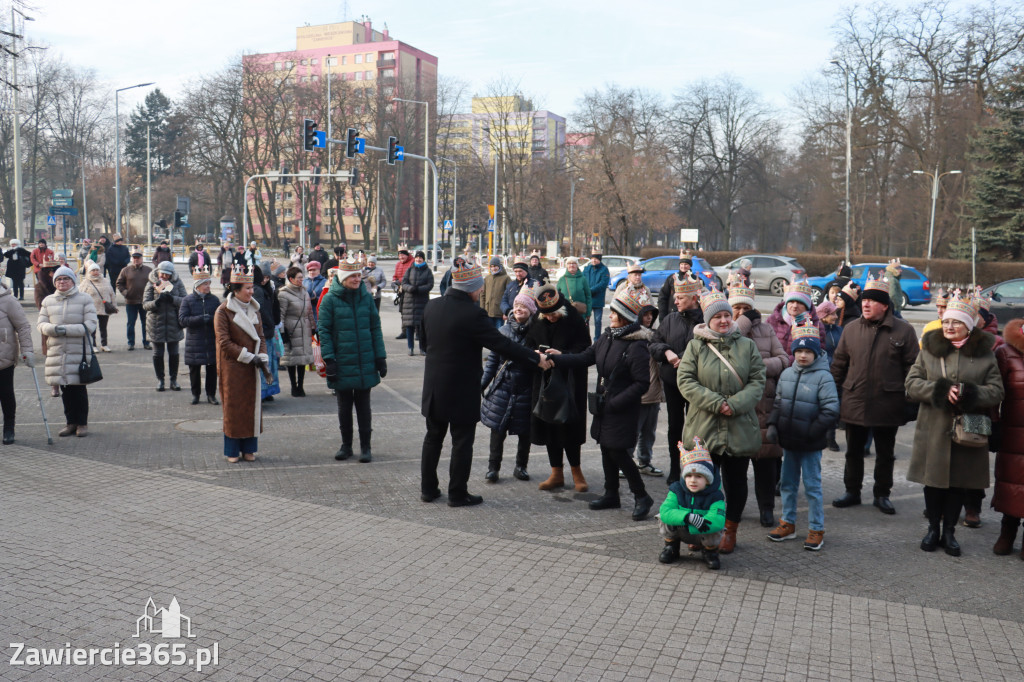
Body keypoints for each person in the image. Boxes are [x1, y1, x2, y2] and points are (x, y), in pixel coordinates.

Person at [419, 263, 552, 507]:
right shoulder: (473, 314)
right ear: (471, 287)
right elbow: (501, 345)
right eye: (479, 286)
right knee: (461, 443)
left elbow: (423, 342)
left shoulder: (432, 305)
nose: (481, 290)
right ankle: (457, 494)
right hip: (461, 390)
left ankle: (428, 489)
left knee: (433, 438)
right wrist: (536, 358)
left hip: (434, 388)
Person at [905, 294, 1003, 556]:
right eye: (946, 321)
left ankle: (949, 531)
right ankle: (932, 529)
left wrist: (970, 394)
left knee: (958, 483)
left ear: (969, 326)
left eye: (956, 323)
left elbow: (996, 391)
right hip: (933, 429)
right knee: (933, 482)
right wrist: (939, 389)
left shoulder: (985, 355)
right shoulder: (928, 350)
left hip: (967, 431)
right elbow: (911, 385)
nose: (948, 327)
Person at [548, 286, 655, 521]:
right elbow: (586, 357)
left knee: (618, 451)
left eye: (615, 313)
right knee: (606, 447)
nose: (611, 316)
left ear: (625, 317)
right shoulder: (608, 336)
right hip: (604, 405)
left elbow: (641, 383)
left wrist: (616, 402)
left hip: (621, 408)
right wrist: (557, 358)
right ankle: (611, 493)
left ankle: (642, 496)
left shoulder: (636, 345)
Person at [677, 287, 766, 554]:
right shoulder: (695, 346)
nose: (725, 321)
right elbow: (686, 381)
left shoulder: (747, 346)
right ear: (708, 319)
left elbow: (757, 380)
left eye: (728, 315)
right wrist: (717, 403)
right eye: (718, 317)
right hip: (704, 427)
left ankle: (729, 530)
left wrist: (735, 405)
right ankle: (703, 529)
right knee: (703, 480)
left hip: (738, 425)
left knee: (736, 481)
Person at [831, 275, 919, 514]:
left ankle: (882, 494)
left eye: (871, 301)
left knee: (885, 454)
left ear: (885, 305)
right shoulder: (851, 329)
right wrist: (832, 398)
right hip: (854, 400)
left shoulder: (905, 331)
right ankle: (852, 491)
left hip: (888, 403)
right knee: (853, 451)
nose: (865, 304)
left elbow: (914, 369)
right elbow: (838, 365)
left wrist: (911, 402)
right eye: (864, 300)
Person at [766, 323, 840, 551]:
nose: (803, 355)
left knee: (812, 487)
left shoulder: (823, 377)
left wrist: (812, 431)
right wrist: (772, 424)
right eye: (799, 351)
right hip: (789, 442)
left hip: (809, 444)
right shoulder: (787, 373)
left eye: (808, 351)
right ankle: (788, 523)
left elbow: (831, 410)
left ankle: (816, 528)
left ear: (816, 353)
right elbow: (778, 403)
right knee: (787, 484)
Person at [731, 277, 790, 528]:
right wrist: (742, 324)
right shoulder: (726, 331)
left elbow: (784, 360)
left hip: (764, 405)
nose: (742, 313)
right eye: (737, 309)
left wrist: (758, 368)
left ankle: (767, 508)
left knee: (765, 463)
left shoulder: (766, 330)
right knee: (735, 469)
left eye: (747, 309)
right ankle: (735, 508)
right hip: (738, 407)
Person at [319, 261, 387, 463]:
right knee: (344, 407)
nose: (357, 279)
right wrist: (329, 360)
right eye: (352, 276)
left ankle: (366, 447)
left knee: (364, 408)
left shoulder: (366, 298)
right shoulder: (329, 300)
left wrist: (380, 357)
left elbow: (375, 327)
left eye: (358, 275)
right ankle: (346, 445)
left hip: (364, 359)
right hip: (342, 361)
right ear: (342, 278)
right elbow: (324, 331)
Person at [527, 283, 592, 493]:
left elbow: (585, 348)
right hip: (545, 382)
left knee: (570, 427)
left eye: (553, 314)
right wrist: (536, 354)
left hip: (570, 382)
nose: (550, 318)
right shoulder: (537, 319)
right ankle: (556, 473)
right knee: (548, 426)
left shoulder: (573, 318)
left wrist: (562, 354)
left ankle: (576, 472)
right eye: (546, 315)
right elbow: (526, 345)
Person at [649, 273, 704, 483]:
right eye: (675, 296)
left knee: (695, 428)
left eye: (680, 297)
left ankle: (694, 468)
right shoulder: (670, 319)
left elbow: (704, 347)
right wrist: (667, 353)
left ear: (693, 299)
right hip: (672, 382)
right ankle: (675, 468)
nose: (675, 300)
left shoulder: (705, 319)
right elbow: (654, 343)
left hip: (697, 385)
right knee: (675, 427)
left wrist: (683, 358)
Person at [481, 290, 538, 482]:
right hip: (503, 387)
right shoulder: (503, 331)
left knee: (525, 432)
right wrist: (483, 384)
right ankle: (493, 467)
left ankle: (521, 466)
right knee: (497, 431)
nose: (519, 309)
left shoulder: (537, 333)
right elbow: (492, 362)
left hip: (527, 388)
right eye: (516, 306)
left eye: (523, 306)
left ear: (531, 309)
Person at [214, 265, 268, 463]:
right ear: (235, 290)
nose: (251, 292)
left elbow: (261, 336)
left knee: (251, 408)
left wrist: (262, 356)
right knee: (234, 408)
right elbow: (224, 343)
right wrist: (247, 356)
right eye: (247, 288)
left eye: (252, 287)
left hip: (252, 366)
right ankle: (232, 450)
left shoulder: (255, 309)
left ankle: (249, 449)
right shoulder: (223, 311)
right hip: (233, 367)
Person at [38, 265, 97, 438]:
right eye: (58, 279)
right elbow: (41, 324)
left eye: (66, 279)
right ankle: (70, 423)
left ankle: (82, 424)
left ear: (73, 281)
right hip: (57, 352)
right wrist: (54, 329)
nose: (62, 282)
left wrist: (65, 330)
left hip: (78, 351)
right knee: (65, 390)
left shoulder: (84, 299)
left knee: (78, 390)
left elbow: (90, 325)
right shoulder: (48, 301)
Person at [657, 438, 725, 570]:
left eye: (699, 476)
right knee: (663, 518)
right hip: (681, 529)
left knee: (715, 527)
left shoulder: (715, 495)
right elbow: (665, 510)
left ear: (708, 480)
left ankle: (710, 551)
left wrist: (699, 521)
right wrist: (688, 517)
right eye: (688, 476)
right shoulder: (677, 490)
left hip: (702, 532)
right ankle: (671, 547)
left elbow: (718, 519)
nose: (692, 480)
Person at [993, 318, 1024, 557]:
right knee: (1011, 483)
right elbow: (995, 392)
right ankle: (1008, 531)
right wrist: (992, 424)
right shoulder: (1005, 351)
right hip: (1013, 432)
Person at [630, 303, 663, 476]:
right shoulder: (635, 336)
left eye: (652, 315)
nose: (649, 318)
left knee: (648, 432)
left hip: (655, 392)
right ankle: (626, 462)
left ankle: (644, 461)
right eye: (645, 314)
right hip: (641, 393)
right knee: (633, 431)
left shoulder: (656, 336)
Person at [178, 267, 220, 405]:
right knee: (194, 370)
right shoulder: (188, 300)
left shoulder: (214, 300)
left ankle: (211, 395)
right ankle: (195, 394)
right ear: (198, 286)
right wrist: (201, 319)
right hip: (194, 341)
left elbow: (221, 319)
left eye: (209, 284)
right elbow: (182, 320)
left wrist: (212, 318)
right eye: (205, 284)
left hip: (211, 340)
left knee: (212, 369)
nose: (208, 286)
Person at [143, 261, 186, 392]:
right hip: (156, 323)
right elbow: (145, 304)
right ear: (158, 272)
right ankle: (160, 380)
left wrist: (173, 299)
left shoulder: (177, 283)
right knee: (158, 353)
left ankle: (173, 380)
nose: (164, 277)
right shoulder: (151, 283)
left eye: (167, 275)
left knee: (174, 353)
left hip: (173, 323)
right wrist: (157, 302)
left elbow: (185, 300)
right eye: (162, 274)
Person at [0, 277, 33, 443]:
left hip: (3, 356)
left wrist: (27, 350)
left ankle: (8, 428)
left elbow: (23, 326)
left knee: (5, 394)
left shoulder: (8, 300)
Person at [767, 280, 826, 362]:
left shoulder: (816, 325)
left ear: (807, 306)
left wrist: (786, 362)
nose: (794, 306)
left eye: (800, 303)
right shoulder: (772, 320)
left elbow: (816, 351)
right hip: (773, 366)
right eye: (791, 302)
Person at [278, 266, 314, 397]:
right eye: (299, 278)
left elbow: (309, 311)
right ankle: (294, 386)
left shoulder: (304, 292)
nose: (301, 280)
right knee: (292, 359)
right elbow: (281, 315)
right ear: (291, 279)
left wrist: (313, 327)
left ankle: (301, 386)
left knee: (303, 359)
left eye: (302, 277)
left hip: (304, 328)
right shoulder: (283, 294)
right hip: (291, 328)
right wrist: (282, 332)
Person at [816, 299, 843, 451]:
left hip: (838, 373)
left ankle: (830, 436)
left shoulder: (839, 330)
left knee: (834, 405)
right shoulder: (818, 330)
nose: (835, 316)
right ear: (824, 316)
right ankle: (826, 436)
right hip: (823, 372)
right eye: (833, 314)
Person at [252, 266, 281, 402]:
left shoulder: (266, 289)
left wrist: (274, 321)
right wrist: (271, 323)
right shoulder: (257, 290)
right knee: (265, 362)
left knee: (269, 362)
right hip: (263, 330)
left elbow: (273, 307)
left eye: (268, 277)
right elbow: (261, 310)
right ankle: (263, 392)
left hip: (267, 331)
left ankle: (268, 391)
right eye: (263, 276)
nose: (265, 279)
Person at [116, 252, 152, 352]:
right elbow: (119, 283)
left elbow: (155, 282)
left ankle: (146, 342)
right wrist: (125, 292)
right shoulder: (125, 270)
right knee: (131, 323)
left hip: (145, 302)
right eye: (134, 258)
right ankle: (131, 343)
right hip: (130, 301)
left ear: (142, 259)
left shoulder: (148, 270)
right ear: (132, 259)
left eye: (138, 258)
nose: (136, 260)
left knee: (146, 323)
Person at [401, 251, 434, 356]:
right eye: (417, 258)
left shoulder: (428, 271)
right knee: (409, 326)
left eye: (420, 258)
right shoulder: (409, 270)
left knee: (421, 327)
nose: (418, 260)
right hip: (409, 301)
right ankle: (410, 347)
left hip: (422, 301)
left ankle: (422, 348)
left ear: (423, 259)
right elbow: (404, 283)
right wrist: (411, 288)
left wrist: (419, 289)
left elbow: (430, 285)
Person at [78, 262, 115, 352]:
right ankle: (93, 345)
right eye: (93, 270)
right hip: (91, 309)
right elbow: (80, 296)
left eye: (97, 270)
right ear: (89, 272)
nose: (95, 272)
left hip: (104, 308)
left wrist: (113, 305)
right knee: (92, 328)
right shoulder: (85, 282)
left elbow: (112, 293)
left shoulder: (105, 280)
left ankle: (104, 344)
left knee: (103, 328)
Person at [658, 254, 694, 321]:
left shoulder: (696, 279)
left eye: (686, 264)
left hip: (691, 316)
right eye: (682, 264)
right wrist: (662, 316)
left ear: (690, 265)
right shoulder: (671, 278)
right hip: (673, 315)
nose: (683, 266)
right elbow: (663, 298)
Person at [556, 257, 592, 322]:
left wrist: (588, 312)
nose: (571, 265)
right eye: (569, 263)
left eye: (574, 263)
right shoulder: (562, 279)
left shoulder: (583, 279)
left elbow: (588, 296)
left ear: (577, 265)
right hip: (565, 313)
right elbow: (556, 296)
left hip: (580, 313)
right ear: (566, 266)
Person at [583, 254, 610, 337]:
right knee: (585, 321)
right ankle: (585, 339)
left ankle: (597, 340)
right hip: (587, 300)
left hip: (598, 300)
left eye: (596, 259)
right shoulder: (587, 269)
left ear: (599, 260)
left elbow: (603, 284)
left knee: (597, 321)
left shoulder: (604, 269)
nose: (594, 261)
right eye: (592, 259)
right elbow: (582, 280)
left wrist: (590, 291)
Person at [479, 256, 510, 328]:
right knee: (488, 333)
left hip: (499, 312)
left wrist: (505, 311)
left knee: (498, 332)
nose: (493, 268)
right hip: (488, 312)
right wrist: (483, 310)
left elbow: (509, 295)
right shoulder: (487, 278)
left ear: (499, 266)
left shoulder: (506, 278)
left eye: (495, 266)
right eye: (491, 266)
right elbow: (482, 295)